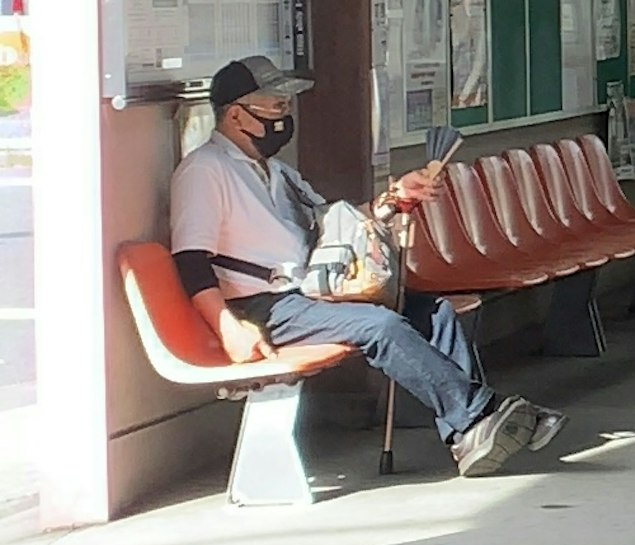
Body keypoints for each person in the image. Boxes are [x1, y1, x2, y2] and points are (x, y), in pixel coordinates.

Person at [166, 58, 554, 480]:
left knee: (434, 313)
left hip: (310, 293)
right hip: (262, 307)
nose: (285, 115)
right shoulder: (204, 171)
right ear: (236, 114)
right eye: (275, 106)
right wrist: (228, 328)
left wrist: (395, 198)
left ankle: (468, 432)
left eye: (286, 105)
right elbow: (190, 260)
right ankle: (482, 414)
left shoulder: (277, 172)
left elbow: (335, 225)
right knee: (379, 326)